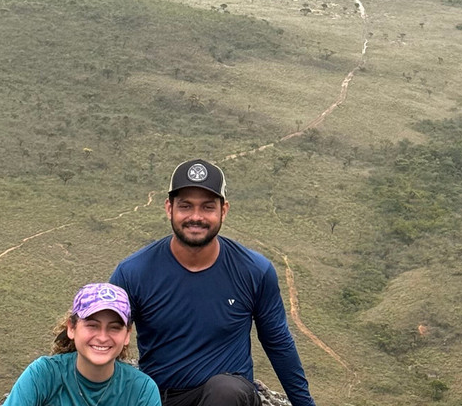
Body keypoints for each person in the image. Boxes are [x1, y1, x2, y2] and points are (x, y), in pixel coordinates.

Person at [110, 159, 316, 406]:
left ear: (224, 210)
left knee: (224, 390)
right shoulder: (134, 272)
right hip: (160, 396)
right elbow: (104, 334)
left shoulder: (254, 271)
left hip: (228, 396)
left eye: (207, 207)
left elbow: (278, 342)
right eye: (185, 206)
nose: (196, 217)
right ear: (169, 208)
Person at [0, 282, 162, 406]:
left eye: (114, 328)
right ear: (72, 328)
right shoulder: (43, 375)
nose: (102, 337)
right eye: (92, 325)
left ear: (127, 335)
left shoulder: (142, 390)